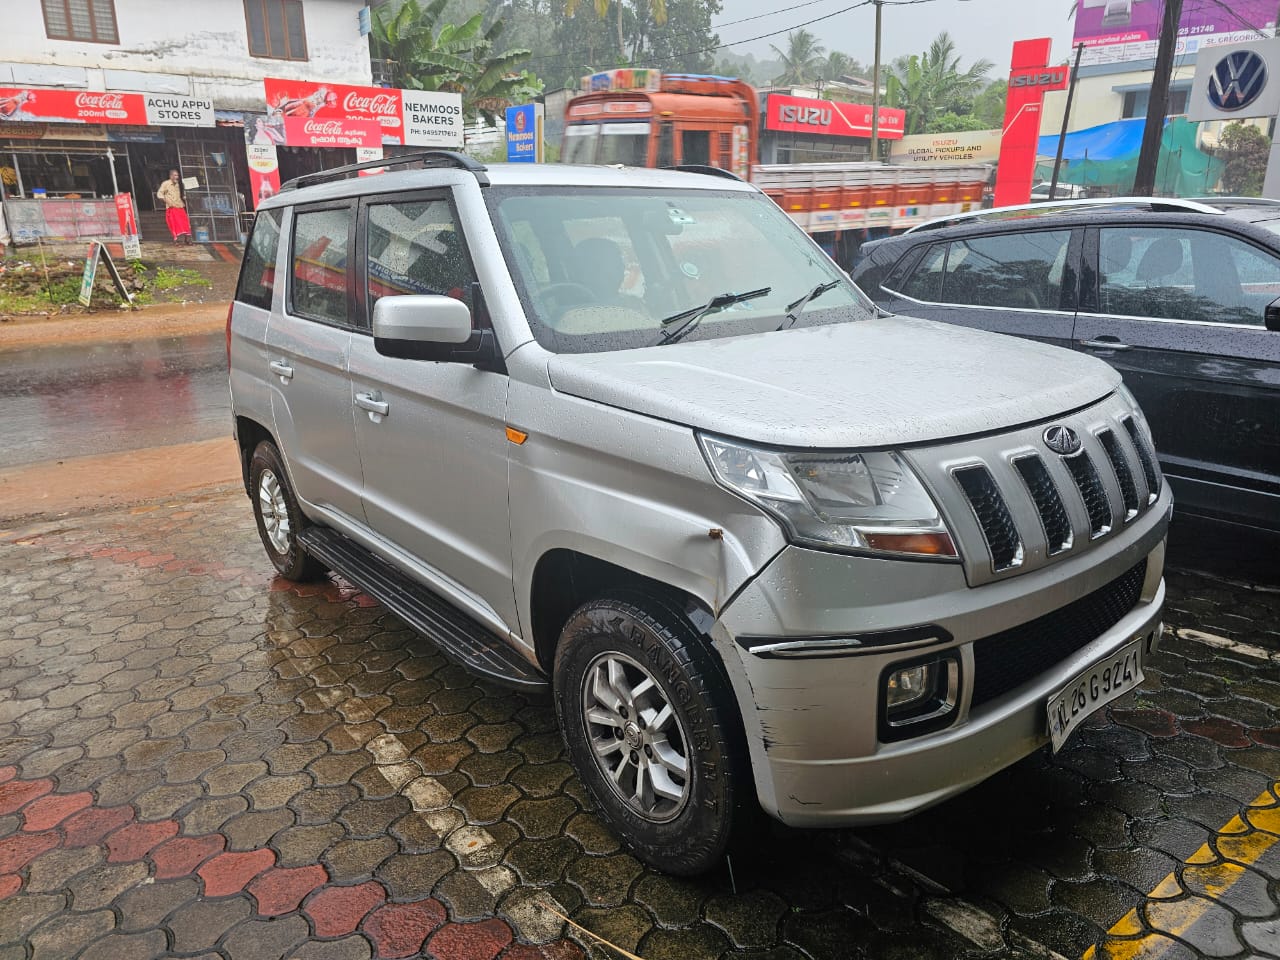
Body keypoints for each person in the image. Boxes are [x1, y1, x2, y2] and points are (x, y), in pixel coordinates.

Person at [157, 170, 192, 245]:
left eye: (177, 175)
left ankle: (187, 239)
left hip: (180, 205)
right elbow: (159, 194)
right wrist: (166, 201)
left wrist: (183, 197)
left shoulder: (178, 184)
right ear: (171, 176)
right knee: (174, 224)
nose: (177, 177)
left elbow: (181, 193)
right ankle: (176, 240)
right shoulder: (166, 183)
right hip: (172, 207)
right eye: (175, 175)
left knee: (185, 223)